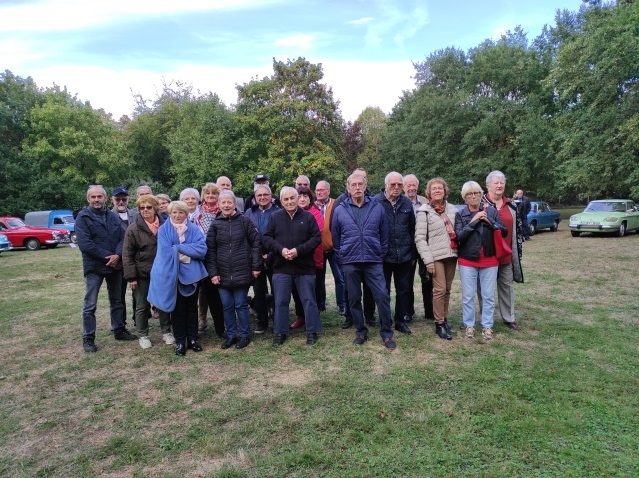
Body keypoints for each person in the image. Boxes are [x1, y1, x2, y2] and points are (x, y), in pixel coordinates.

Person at [331, 173, 397, 350]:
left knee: (382, 296)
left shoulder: (377, 208)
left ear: (365, 186)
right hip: (350, 262)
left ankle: (386, 333)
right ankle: (360, 330)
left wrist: (379, 253)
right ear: (348, 187)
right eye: (354, 184)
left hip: (373, 260)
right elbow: (335, 236)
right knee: (353, 298)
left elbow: (385, 234)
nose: (357, 187)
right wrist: (342, 255)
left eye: (361, 184)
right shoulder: (340, 210)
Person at [76, 185, 137, 352]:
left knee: (117, 300)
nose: (96, 200)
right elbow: (85, 244)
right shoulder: (83, 217)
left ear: (105, 198)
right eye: (93, 197)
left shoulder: (112, 216)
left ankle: (119, 329)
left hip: (115, 265)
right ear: (88, 199)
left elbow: (122, 236)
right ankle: (88, 338)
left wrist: (117, 255)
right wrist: (108, 257)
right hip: (95, 266)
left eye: (99, 197)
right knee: (90, 304)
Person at [262, 186, 322, 346]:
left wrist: (298, 251)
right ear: (281, 201)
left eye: (292, 198)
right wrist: (280, 250)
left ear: (297, 199)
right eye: (286, 199)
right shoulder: (275, 217)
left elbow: (316, 238)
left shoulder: (308, 217)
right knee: (281, 300)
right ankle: (280, 332)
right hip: (281, 266)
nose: (289, 201)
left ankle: (312, 331)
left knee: (309, 300)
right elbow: (266, 238)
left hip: (304, 266)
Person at [148, 201, 208, 356]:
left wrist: (178, 248)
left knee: (191, 308)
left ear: (186, 214)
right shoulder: (163, 230)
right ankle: (180, 341)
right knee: (177, 310)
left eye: (181, 212)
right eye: (174, 212)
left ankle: (193, 339)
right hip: (172, 276)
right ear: (169, 213)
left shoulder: (194, 229)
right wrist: (188, 253)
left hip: (192, 276)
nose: (177, 215)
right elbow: (165, 252)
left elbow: (201, 250)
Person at [206, 191, 262, 350]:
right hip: (222, 274)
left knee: (241, 304)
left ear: (234, 204)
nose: (226, 205)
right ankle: (231, 335)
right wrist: (213, 273)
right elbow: (210, 251)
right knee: (227, 305)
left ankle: (244, 335)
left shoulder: (245, 222)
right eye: (223, 202)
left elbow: (257, 243)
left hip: (242, 271)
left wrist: (256, 266)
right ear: (219, 204)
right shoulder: (215, 225)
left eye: (229, 202)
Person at [454, 181, 507, 340]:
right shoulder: (461, 214)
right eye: (469, 194)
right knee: (468, 295)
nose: (473, 196)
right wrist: (475, 220)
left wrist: (489, 222)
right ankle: (469, 325)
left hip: (489, 259)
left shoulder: (491, 211)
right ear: (465, 197)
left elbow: (503, 231)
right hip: (467, 259)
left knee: (488, 295)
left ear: (481, 194)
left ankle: (487, 326)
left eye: (476, 193)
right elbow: (459, 237)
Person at [122, 194, 174, 348]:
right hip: (142, 272)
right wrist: (131, 277)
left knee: (163, 303)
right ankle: (143, 335)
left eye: (149, 207)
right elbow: (127, 254)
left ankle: (166, 331)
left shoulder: (166, 225)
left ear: (155, 208)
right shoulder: (133, 228)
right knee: (142, 305)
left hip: (162, 271)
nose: (145, 210)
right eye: (142, 208)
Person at [415, 177, 458, 340]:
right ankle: (439, 323)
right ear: (429, 192)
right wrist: (428, 261)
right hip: (435, 256)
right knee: (439, 289)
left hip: (451, 254)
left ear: (445, 190)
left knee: (447, 289)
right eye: (434, 188)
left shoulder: (453, 209)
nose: (438, 190)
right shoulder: (424, 211)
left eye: (440, 188)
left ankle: (445, 319)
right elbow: (419, 238)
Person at [480, 171, 524, 330]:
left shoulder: (511, 204)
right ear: (488, 186)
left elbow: (517, 229)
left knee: (507, 286)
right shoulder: (480, 203)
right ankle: (486, 319)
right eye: (496, 183)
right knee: (485, 289)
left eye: (502, 183)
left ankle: (509, 317)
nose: (499, 186)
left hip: (506, 253)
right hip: (487, 255)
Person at [375, 172, 415, 335]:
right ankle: (385, 320)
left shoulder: (406, 203)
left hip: (404, 255)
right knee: (383, 291)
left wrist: (412, 252)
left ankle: (400, 321)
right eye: (393, 184)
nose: (397, 187)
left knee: (404, 289)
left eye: (400, 184)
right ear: (386, 185)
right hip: (383, 256)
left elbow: (412, 228)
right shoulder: (376, 203)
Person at [244, 184, 280, 334]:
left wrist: (270, 255)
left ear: (271, 196)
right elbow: (245, 236)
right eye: (259, 195)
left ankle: (278, 321)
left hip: (275, 258)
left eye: (266, 194)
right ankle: (262, 321)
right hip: (255, 259)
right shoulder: (248, 213)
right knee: (258, 291)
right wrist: (256, 256)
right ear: (255, 198)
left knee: (277, 290)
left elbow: (281, 236)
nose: (263, 197)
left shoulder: (279, 212)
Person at [192, 183, 225, 338]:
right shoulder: (196, 212)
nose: (211, 196)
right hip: (199, 258)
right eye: (208, 193)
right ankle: (198, 323)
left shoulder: (223, 211)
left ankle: (221, 328)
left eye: (214, 193)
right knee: (198, 292)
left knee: (216, 293)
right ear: (203, 195)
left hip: (219, 257)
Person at [289, 185, 324, 330]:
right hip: (293, 260)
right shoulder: (289, 214)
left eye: (305, 196)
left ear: (310, 199)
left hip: (313, 260)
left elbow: (316, 236)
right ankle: (300, 316)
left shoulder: (315, 214)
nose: (302, 199)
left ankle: (312, 317)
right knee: (296, 291)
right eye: (300, 196)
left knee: (312, 291)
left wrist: (299, 249)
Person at [404, 174, 433, 321]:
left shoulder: (425, 202)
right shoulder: (400, 202)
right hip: (407, 247)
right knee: (407, 280)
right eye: (408, 185)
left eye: (413, 185)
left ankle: (429, 311)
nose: (411, 188)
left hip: (424, 245)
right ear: (404, 187)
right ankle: (408, 311)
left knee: (427, 278)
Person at [314, 180, 346, 315]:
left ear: (328, 191)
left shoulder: (335, 203)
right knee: (319, 279)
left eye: (322, 190)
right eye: (317, 190)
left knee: (339, 277)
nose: (319, 192)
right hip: (318, 249)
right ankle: (320, 304)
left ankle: (342, 305)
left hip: (334, 248)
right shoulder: (312, 206)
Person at [111, 186, 138, 325]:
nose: (121, 202)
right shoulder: (108, 216)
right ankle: (120, 324)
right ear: (112, 200)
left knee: (137, 294)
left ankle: (137, 320)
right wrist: (118, 256)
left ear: (128, 200)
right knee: (118, 295)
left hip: (135, 261)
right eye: (118, 199)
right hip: (118, 262)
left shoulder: (136, 215)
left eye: (124, 199)